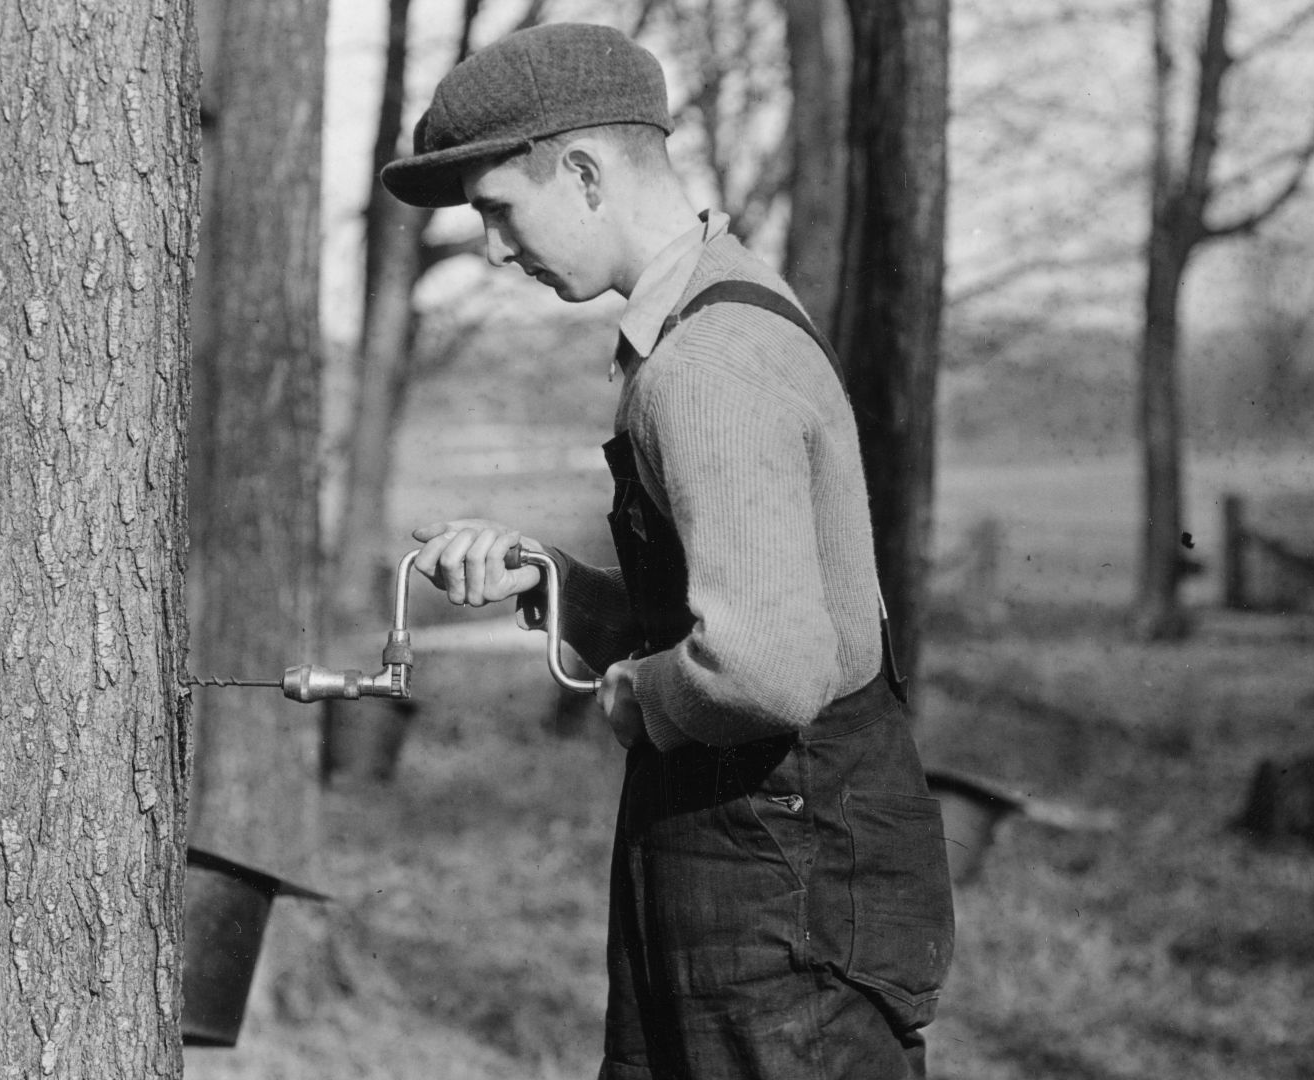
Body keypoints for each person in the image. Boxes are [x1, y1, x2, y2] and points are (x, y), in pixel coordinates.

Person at [382, 22, 954, 1080]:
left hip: (779, 877)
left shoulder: (704, 366)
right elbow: (747, 600)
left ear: (587, 173)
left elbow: (769, 668)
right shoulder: (722, 305)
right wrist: (550, 584)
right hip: (761, 856)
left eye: (502, 212)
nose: (498, 252)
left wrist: (639, 697)